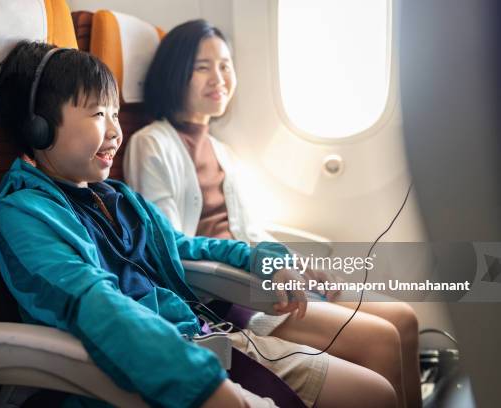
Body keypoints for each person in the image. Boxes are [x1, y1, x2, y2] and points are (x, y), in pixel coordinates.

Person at [0, 40, 397, 408]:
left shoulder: (119, 197)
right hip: (151, 371)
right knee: (374, 394)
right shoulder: (25, 212)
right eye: (99, 114)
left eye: (115, 113)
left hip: (197, 337)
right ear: (38, 127)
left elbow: (188, 247)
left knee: (377, 389)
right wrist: (204, 383)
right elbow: (97, 306)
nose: (116, 132)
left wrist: (269, 260)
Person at [124, 19, 420, 408]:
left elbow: (251, 233)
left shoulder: (223, 150)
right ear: (174, 73)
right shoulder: (151, 144)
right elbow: (169, 248)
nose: (220, 77)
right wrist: (266, 266)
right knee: (381, 340)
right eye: (202, 67)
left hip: (256, 275)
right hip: (225, 294)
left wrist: (294, 261)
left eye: (226, 65)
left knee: (405, 319)